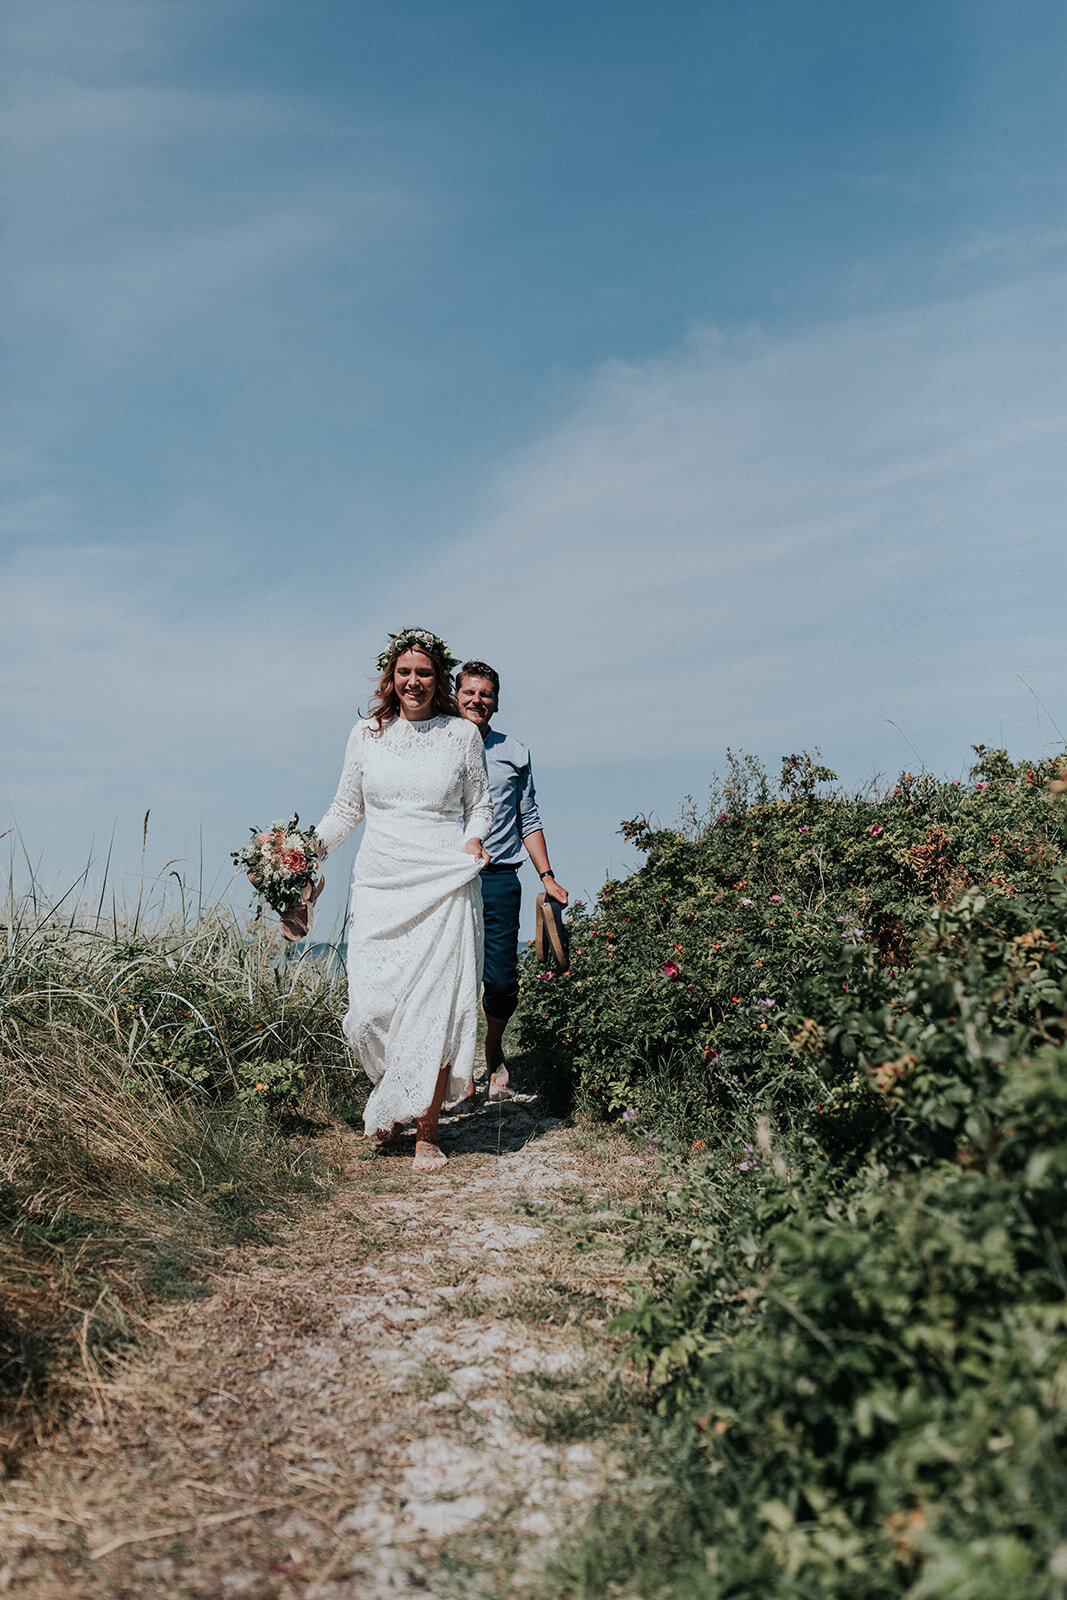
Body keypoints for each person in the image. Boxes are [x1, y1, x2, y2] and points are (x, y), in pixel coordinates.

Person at [291, 629, 492, 1173]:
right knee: (371, 1010)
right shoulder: (367, 734)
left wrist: (474, 837)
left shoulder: (461, 736)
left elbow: (481, 805)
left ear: (440, 679)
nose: (414, 682)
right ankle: (395, 1099)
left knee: (432, 1008)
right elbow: (345, 809)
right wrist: (305, 853)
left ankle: (427, 1129)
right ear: (390, 677)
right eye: (405, 672)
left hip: (442, 882)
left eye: (424, 672)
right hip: (380, 884)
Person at [455, 661, 567, 1097]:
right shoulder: (439, 744)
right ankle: (457, 1070)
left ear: (496, 702)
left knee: (501, 982)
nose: (477, 700)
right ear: (456, 694)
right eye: (470, 692)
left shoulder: (514, 751)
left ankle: (494, 1047)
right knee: (455, 980)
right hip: (451, 881)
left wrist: (548, 875)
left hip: (501, 878)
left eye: (485, 694)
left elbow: (529, 817)